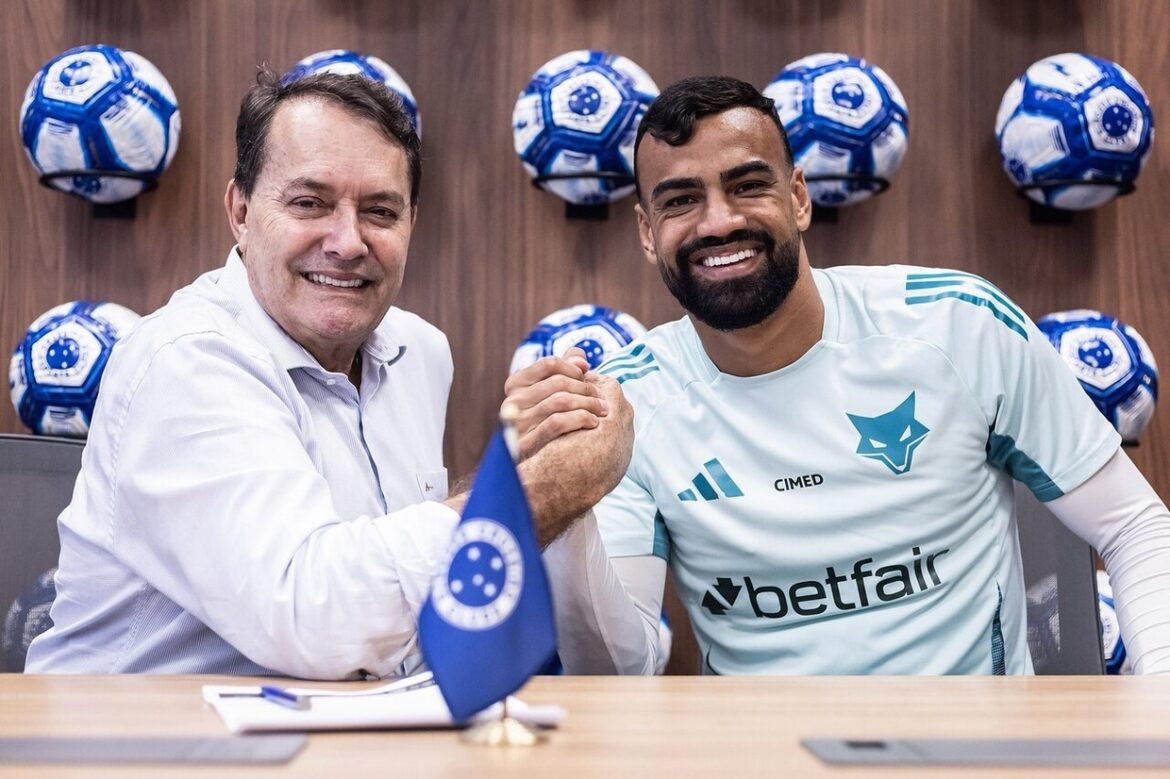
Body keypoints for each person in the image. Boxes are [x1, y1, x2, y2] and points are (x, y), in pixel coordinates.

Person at [539, 75, 1170, 675]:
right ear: (648, 234)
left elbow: (1134, 526)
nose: (719, 222)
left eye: (748, 186)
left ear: (799, 197)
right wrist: (566, 504)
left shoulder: (959, 324)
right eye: (681, 200)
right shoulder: (623, 403)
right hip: (757, 741)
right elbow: (615, 670)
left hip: (972, 738)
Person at [25, 70, 632, 677]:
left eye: (380, 211)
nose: (347, 243)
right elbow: (315, 617)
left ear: (412, 223)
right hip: (142, 731)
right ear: (241, 211)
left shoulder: (420, 350)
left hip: (344, 721)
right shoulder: (183, 360)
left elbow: (395, 584)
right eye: (309, 203)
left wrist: (523, 459)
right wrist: (547, 487)